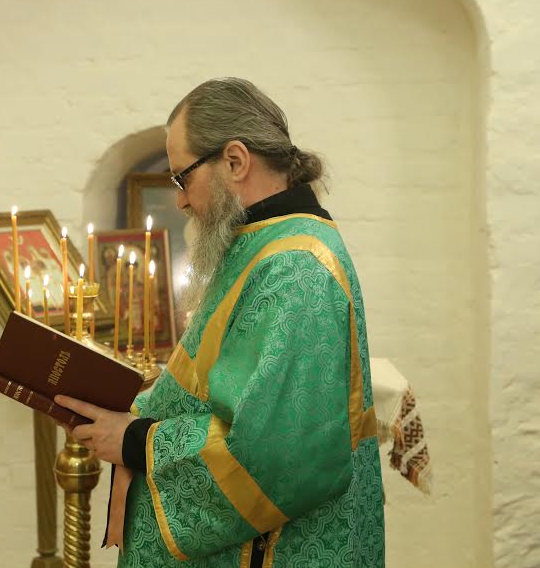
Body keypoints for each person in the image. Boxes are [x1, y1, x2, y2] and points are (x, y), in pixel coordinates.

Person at [55, 77, 384, 567]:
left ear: (235, 161)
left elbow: (275, 456)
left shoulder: (295, 267)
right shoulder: (263, 244)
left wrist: (136, 441)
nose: (181, 201)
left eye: (181, 179)